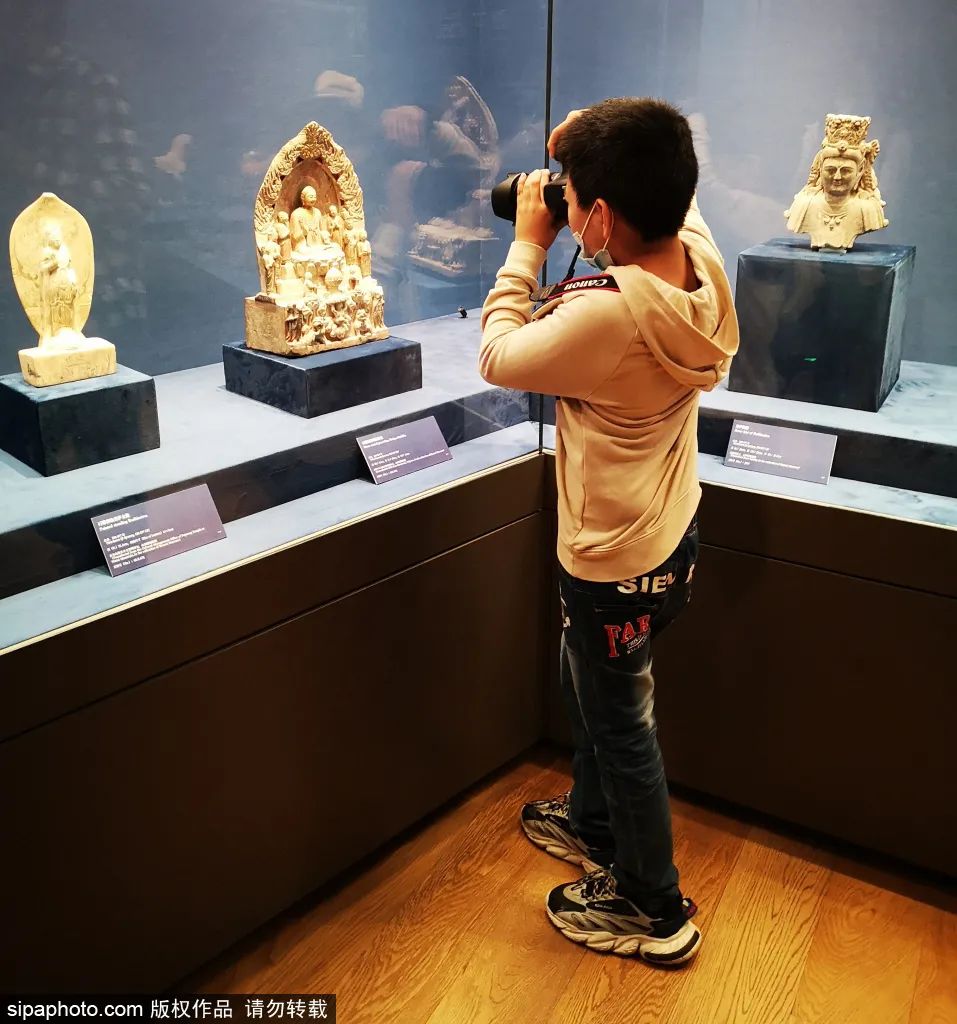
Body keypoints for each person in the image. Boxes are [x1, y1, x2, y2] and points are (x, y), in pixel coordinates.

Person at [479, 98, 739, 966]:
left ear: (597, 215)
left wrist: (527, 237)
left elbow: (499, 357)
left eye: (573, 196)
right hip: (668, 533)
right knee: (595, 685)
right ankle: (593, 824)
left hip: (607, 557)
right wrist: (584, 139)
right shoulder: (699, 264)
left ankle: (652, 907)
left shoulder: (604, 315)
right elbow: (664, 167)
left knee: (623, 722)